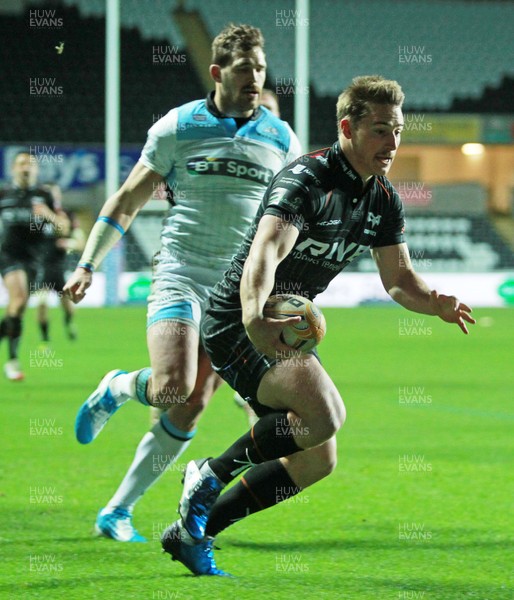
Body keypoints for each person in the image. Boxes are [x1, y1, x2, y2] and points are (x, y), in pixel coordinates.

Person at [160, 75, 476, 576]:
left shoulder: (384, 200)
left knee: (315, 460)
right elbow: (266, 250)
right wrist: (253, 316)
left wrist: (434, 302)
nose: (392, 143)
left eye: (397, 131)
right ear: (347, 127)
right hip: (242, 317)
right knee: (326, 413)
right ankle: (208, 475)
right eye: (379, 130)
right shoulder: (307, 179)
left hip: (288, 326)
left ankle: (193, 531)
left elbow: (398, 278)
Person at [63, 24, 301, 542]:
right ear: (217, 73)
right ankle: (118, 387)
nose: (254, 80)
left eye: (260, 70)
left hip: (238, 293)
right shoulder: (177, 126)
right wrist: (86, 264)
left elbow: (289, 220)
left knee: (193, 403)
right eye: (244, 71)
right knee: (173, 386)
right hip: (181, 273)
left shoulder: (281, 137)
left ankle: (116, 512)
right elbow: (127, 200)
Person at [0, 151, 69, 380]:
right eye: (20, 164)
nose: (25, 168)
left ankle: (6, 340)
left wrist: (48, 215)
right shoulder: (4, 194)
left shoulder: (44, 195)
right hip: (8, 256)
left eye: (30, 164)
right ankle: (12, 362)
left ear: (36, 170)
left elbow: (64, 229)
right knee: (18, 299)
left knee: (17, 308)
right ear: (13, 169)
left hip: (35, 260)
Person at [37, 183, 85, 346]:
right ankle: (45, 340)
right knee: (42, 303)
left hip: (60, 267)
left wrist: (69, 243)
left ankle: (69, 321)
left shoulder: (67, 215)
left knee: (67, 305)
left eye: (54, 193)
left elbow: (79, 242)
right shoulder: (36, 216)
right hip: (41, 266)